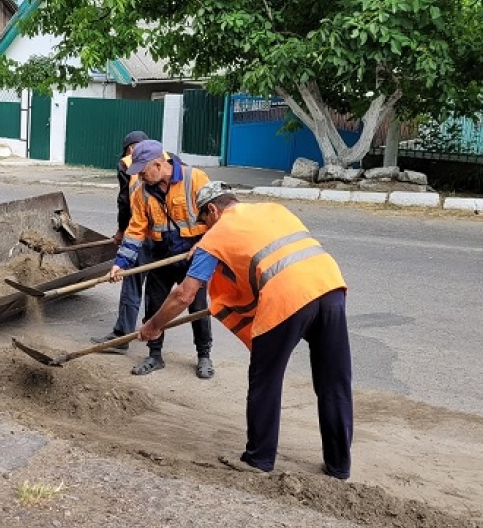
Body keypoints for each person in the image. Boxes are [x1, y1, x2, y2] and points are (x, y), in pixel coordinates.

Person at [136, 181, 353, 479]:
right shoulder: (272, 208)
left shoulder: (216, 236)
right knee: (334, 382)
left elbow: (184, 295)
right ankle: (339, 466)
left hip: (287, 298)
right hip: (329, 287)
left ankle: (259, 459)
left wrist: (153, 326)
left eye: (203, 221)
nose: (203, 229)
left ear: (213, 210)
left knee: (265, 380)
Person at [102, 140, 214, 378]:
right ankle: (154, 355)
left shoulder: (195, 179)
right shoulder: (141, 192)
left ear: (158, 164)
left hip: (194, 256)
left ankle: (204, 355)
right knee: (154, 306)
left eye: (143, 171)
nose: (140, 177)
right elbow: (135, 231)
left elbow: (217, 219)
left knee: (196, 306)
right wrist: (120, 264)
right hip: (161, 254)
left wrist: (204, 245)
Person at [90, 130, 152, 354]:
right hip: (169, 239)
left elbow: (125, 202)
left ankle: (122, 336)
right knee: (157, 288)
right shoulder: (168, 159)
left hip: (141, 233)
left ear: (129, 149)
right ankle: (155, 341)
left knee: (132, 282)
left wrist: (120, 231)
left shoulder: (126, 164)